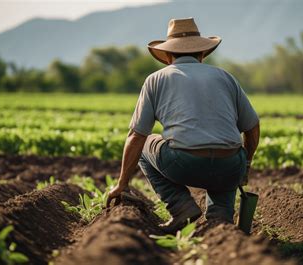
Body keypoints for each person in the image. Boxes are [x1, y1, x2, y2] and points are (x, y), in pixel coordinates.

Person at [107, 17, 260, 233]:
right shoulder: (226, 77)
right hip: (230, 164)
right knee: (226, 169)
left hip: (184, 163)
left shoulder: (155, 79)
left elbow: (136, 135)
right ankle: (221, 226)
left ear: (168, 56)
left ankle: (181, 207)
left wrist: (122, 183)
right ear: (202, 54)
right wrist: (246, 163)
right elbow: (252, 127)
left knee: (144, 147)